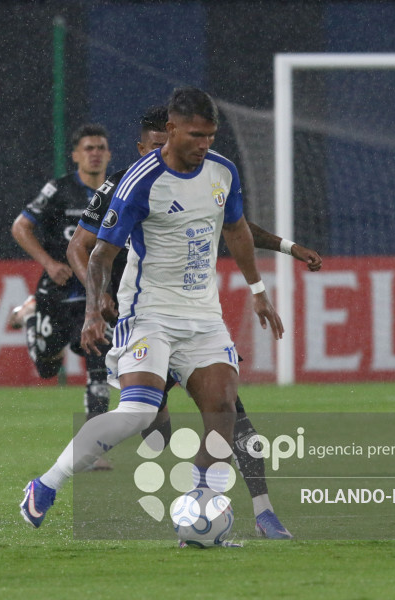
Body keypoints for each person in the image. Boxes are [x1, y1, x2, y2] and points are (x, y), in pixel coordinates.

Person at [20, 88, 283, 537]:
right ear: (173, 131)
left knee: (223, 409)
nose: (204, 144)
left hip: (204, 316)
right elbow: (99, 253)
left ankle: (201, 507)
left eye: (211, 135)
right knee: (139, 416)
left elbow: (236, 229)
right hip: (149, 315)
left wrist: (258, 288)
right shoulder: (140, 180)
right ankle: (47, 484)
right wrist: (93, 313)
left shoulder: (222, 170)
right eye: (196, 135)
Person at [66, 105, 322, 539]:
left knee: (233, 414)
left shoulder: (202, 172)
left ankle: (263, 510)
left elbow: (234, 223)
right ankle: (170, 452)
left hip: (192, 317)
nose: (172, 154)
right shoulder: (125, 184)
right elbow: (80, 246)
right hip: (141, 315)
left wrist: (286, 246)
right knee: (155, 431)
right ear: (146, 145)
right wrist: (100, 298)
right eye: (156, 146)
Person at [11, 124, 116, 458]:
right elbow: (21, 227)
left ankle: (94, 450)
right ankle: (30, 315)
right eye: (88, 148)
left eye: (100, 147)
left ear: (109, 153)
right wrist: (48, 263)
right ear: (76, 155)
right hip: (57, 293)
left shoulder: (119, 191)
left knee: (98, 368)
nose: (95, 153)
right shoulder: (59, 190)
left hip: (94, 294)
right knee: (47, 368)